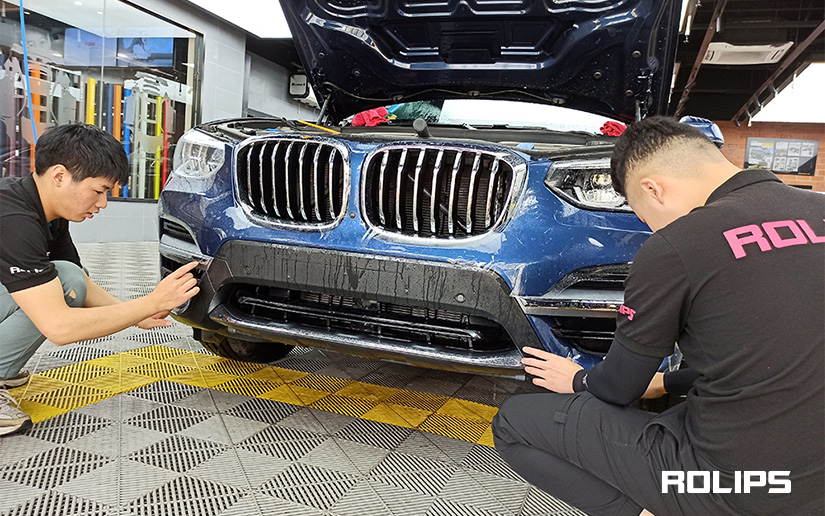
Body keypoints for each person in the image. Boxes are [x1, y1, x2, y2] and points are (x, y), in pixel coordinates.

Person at [492, 116, 824, 516]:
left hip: (743, 488)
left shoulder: (678, 244)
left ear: (653, 189)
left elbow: (620, 388)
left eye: (642, 214)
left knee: (513, 423)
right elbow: (774, 352)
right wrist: (666, 381)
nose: (650, 228)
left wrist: (579, 379)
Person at [0, 123, 199, 437]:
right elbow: (59, 327)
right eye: (99, 191)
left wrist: (139, 314)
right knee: (57, 293)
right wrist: (152, 302)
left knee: (68, 279)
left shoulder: (46, 212)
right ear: (59, 176)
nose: (103, 204)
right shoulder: (13, 219)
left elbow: (78, 282)